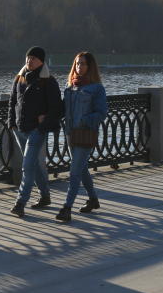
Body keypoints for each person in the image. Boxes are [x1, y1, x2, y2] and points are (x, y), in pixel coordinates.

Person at [7, 46, 63, 218]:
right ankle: (45, 197)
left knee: (28, 165)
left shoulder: (48, 81)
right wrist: (11, 123)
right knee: (35, 164)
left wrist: (44, 120)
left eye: (33, 58)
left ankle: (20, 203)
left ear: (41, 61)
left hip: (37, 130)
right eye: (27, 58)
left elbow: (58, 108)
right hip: (20, 128)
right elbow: (12, 101)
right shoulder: (20, 78)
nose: (29, 61)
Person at [56, 51, 108, 222]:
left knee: (74, 172)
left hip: (86, 134)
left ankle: (66, 208)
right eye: (77, 63)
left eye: (83, 64)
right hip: (71, 134)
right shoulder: (70, 88)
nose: (79, 67)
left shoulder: (96, 89)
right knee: (81, 168)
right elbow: (63, 111)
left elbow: (102, 113)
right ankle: (93, 199)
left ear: (90, 66)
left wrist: (85, 121)